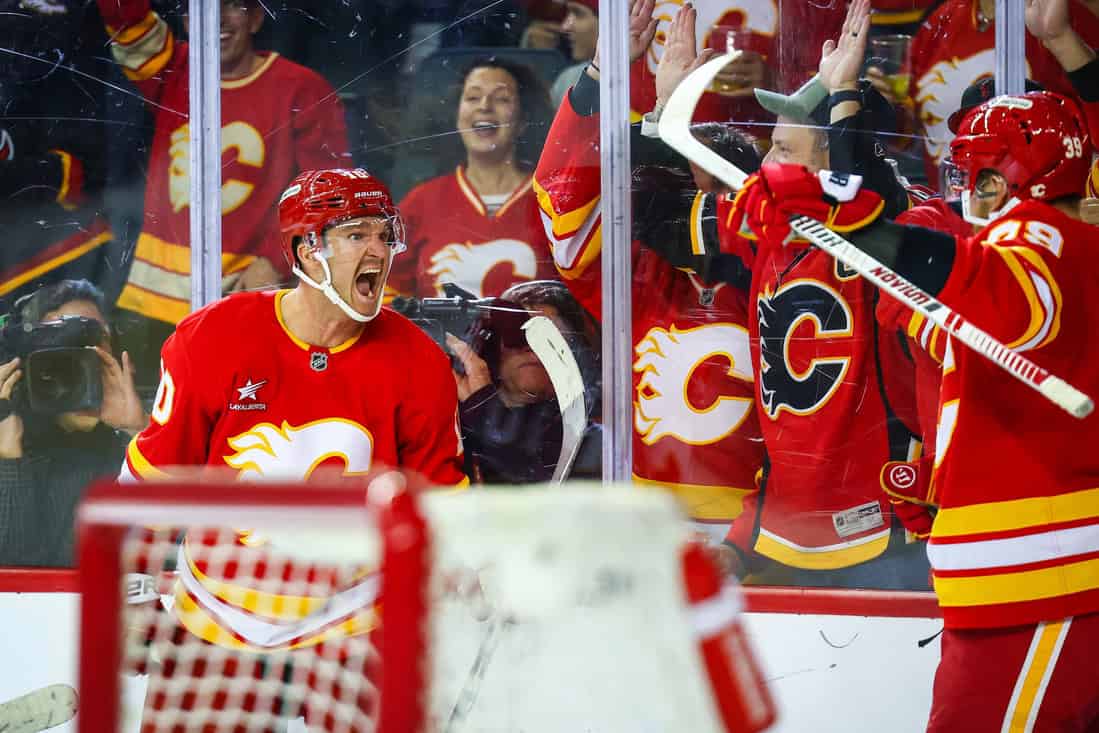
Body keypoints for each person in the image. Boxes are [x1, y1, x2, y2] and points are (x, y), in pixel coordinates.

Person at [740, 89, 1098, 732]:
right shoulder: (1027, 249)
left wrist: (862, 229)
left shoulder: (1044, 236)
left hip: (1043, 589)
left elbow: (999, 295)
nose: (968, 189)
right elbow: (955, 322)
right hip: (1023, 588)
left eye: (976, 173)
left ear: (1006, 175)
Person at [121, 168, 468, 729]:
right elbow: (151, 476)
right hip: (219, 611)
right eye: (357, 235)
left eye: (384, 233)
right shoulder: (212, 337)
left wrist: (471, 580)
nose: (378, 249)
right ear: (307, 251)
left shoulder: (420, 364)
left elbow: (442, 507)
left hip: (353, 617)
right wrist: (135, 591)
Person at [639, 0, 931, 585]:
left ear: (833, 161)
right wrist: (664, 112)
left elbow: (867, 198)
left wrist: (846, 101)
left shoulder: (907, 224)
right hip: (782, 528)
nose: (765, 163)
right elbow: (659, 216)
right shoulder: (767, 226)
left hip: (893, 529)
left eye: (783, 149)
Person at [535, 0, 766, 545]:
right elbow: (564, 205)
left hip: (755, 537)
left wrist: (746, 542)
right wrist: (604, 79)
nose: (695, 204)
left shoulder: (776, 273)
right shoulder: (630, 277)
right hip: (645, 533)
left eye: (714, 188)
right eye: (684, 184)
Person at [95, 0, 350, 386]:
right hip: (151, 305)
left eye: (233, 5)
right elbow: (123, 15)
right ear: (188, 19)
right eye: (204, 6)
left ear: (257, 16)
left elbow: (330, 191)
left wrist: (276, 257)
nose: (220, 19)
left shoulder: (301, 87)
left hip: (246, 301)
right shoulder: (173, 67)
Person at [0, 279, 145, 567]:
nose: (82, 365)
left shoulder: (134, 445)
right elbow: (15, 578)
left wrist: (139, 436)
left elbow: (174, 552)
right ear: (24, 367)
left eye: (94, 343)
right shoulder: (11, 440)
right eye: (61, 346)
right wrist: (7, 459)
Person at [391, 57, 558, 300]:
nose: (484, 106)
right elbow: (387, 297)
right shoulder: (421, 202)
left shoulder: (551, 200)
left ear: (522, 122)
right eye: (472, 97)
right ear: (457, 117)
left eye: (501, 99)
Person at [908, 0, 1099, 181]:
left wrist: (1061, 39)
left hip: (1040, 203)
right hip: (950, 199)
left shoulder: (1062, 16)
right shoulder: (943, 18)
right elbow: (911, 123)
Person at [446, 280, 601, 484]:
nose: (530, 347)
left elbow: (549, 474)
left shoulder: (594, 441)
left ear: (577, 354)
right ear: (492, 345)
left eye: (548, 337)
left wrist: (483, 408)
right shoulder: (452, 426)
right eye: (516, 334)